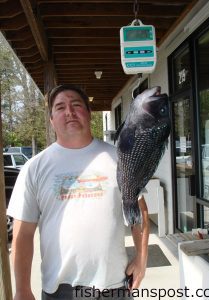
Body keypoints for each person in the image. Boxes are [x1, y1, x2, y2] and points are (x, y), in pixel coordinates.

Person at [8, 84, 150, 300]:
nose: (69, 112)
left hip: (114, 286)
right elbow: (23, 235)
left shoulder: (120, 159)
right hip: (60, 290)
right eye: (60, 107)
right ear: (51, 119)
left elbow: (139, 212)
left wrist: (141, 257)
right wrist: (22, 289)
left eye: (76, 105)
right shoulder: (34, 167)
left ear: (88, 113)